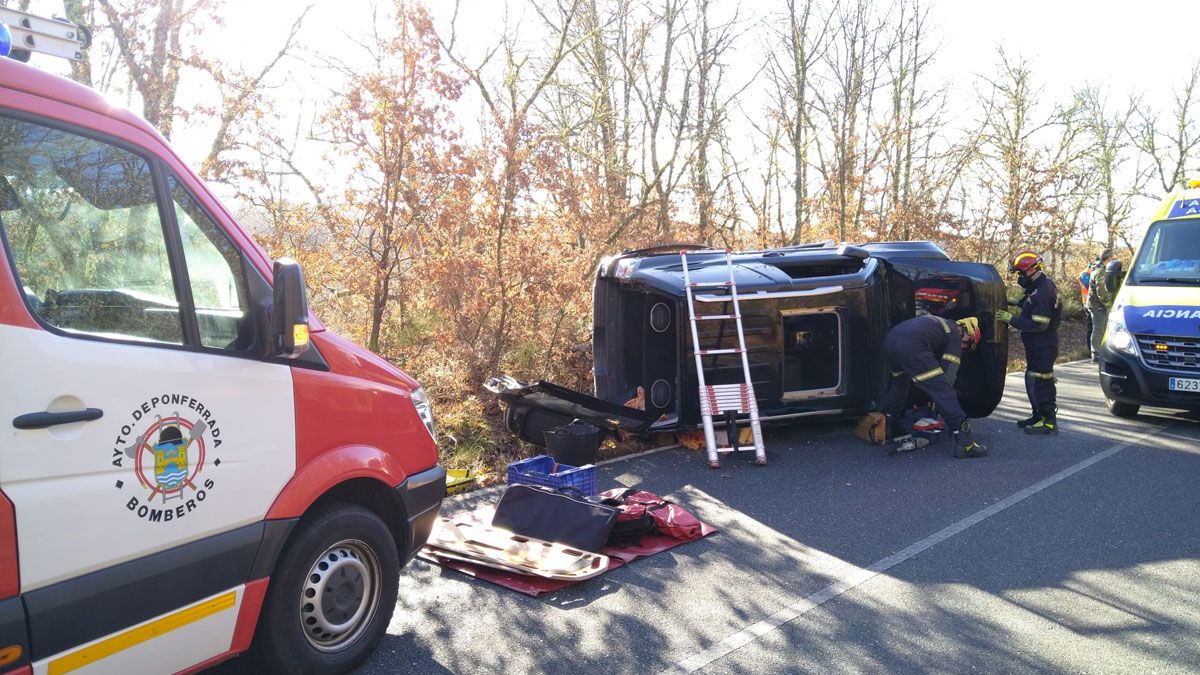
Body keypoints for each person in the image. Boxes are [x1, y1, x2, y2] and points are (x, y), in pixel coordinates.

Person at [880, 314, 986, 458]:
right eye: (967, 344)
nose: (963, 347)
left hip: (890, 342)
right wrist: (942, 402)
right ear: (967, 334)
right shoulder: (955, 333)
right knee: (945, 391)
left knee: (899, 383)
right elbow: (949, 375)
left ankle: (888, 426)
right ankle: (965, 443)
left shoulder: (941, 324)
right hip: (912, 346)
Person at [995, 250, 1063, 435]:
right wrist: (1014, 303)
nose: (1020, 277)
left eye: (1021, 273)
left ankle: (1048, 422)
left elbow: (1039, 324)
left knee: (1042, 381)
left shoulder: (1041, 290)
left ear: (1033, 270)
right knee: (1034, 378)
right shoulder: (1040, 286)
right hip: (1038, 345)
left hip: (1043, 344)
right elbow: (1030, 304)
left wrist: (1012, 319)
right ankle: (1038, 416)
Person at [1087, 248, 1115, 362]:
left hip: (1097, 305)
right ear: (1107, 258)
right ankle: (1096, 353)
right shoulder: (1100, 272)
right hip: (1097, 306)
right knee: (1098, 329)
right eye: (1111, 258)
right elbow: (1101, 292)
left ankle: (1099, 351)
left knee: (1101, 329)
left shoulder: (1098, 269)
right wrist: (1109, 306)